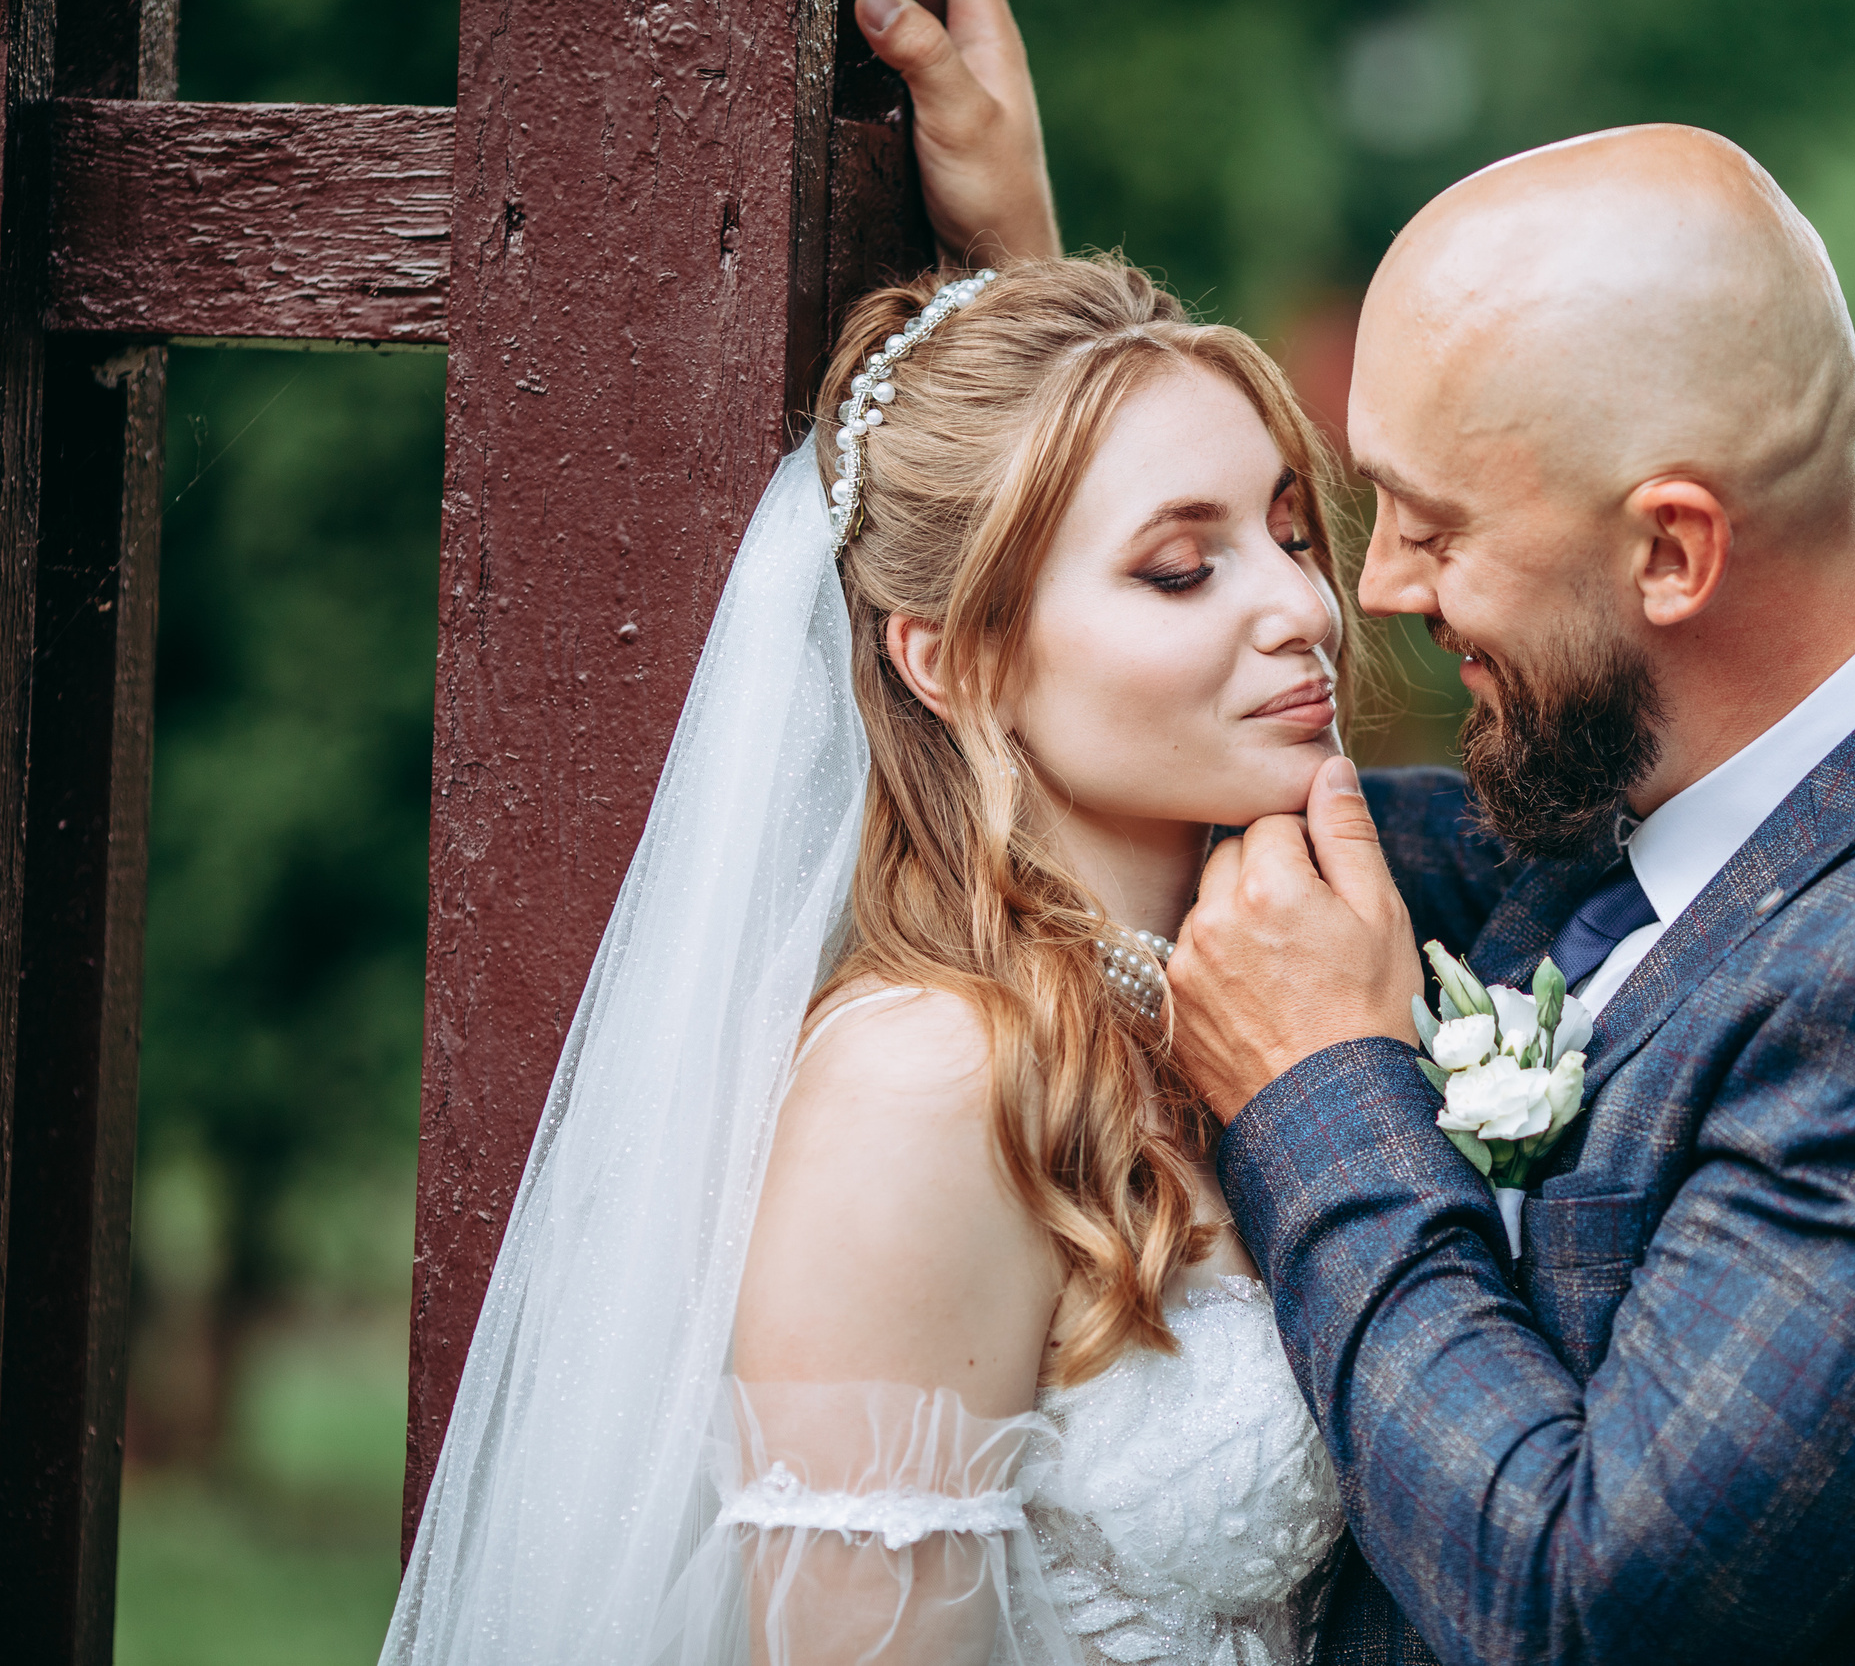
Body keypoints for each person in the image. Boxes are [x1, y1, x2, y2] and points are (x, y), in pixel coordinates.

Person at [858, 0, 1855, 1662]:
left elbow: (1578, 1602)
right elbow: (1161, 745)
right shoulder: (1667, 773)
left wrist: (1328, 1093)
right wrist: (1028, 322)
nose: (1369, 592)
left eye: (1432, 525)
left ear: (1672, 552)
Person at [385, 253, 1358, 1666]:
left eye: (1291, 534)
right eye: (1180, 569)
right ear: (951, 661)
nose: (1303, 611)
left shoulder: (1209, 1004)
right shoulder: (926, 1082)